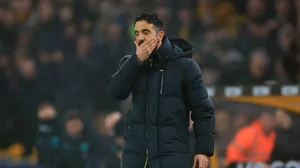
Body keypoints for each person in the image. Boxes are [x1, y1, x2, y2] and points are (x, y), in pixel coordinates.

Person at [108, 13, 215, 168]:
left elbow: (203, 110)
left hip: (172, 155)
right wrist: (136, 61)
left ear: (160, 35)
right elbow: (116, 92)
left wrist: (203, 150)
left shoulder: (185, 66)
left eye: (146, 32)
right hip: (136, 155)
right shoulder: (130, 64)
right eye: (137, 33)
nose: (140, 38)